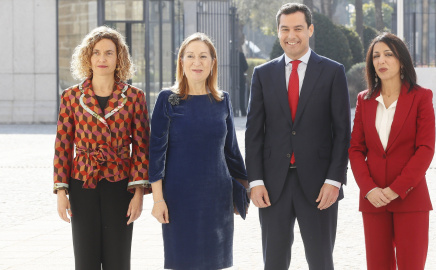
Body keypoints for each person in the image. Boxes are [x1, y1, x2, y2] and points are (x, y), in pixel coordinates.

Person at [245, 3, 351, 270]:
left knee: (321, 262)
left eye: (298, 28)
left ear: (310, 30)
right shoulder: (263, 74)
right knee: (274, 263)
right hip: (272, 187)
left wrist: (334, 180)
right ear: (278, 32)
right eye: (285, 29)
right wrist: (255, 181)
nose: (291, 35)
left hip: (320, 187)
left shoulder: (332, 71)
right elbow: (254, 132)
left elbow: (342, 132)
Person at [53, 26, 151, 270]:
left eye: (109, 53)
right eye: (96, 53)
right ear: (88, 57)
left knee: (118, 259)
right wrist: (61, 192)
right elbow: (63, 145)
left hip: (120, 184)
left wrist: (138, 193)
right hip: (82, 183)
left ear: (119, 58)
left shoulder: (134, 97)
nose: (102, 59)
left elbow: (141, 147)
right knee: (85, 259)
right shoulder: (71, 97)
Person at [149, 32, 249, 270]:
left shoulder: (222, 100)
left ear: (212, 62)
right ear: (181, 61)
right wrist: (158, 199)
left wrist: (244, 191)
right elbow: (156, 153)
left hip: (217, 199)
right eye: (190, 56)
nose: (197, 62)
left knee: (215, 263)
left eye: (203, 56)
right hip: (178, 199)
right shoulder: (168, 99)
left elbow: (232, 151)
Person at [349, 32, 435, 270]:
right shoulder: (364, 100)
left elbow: (425, 149)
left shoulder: (421, 97)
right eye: (376, 56)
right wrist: (368, 189)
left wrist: (397, 188)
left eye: (388, 54)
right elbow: (355, 149)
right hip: (373, 201)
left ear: (401, 60)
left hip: (410, 198)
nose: (381, 61)